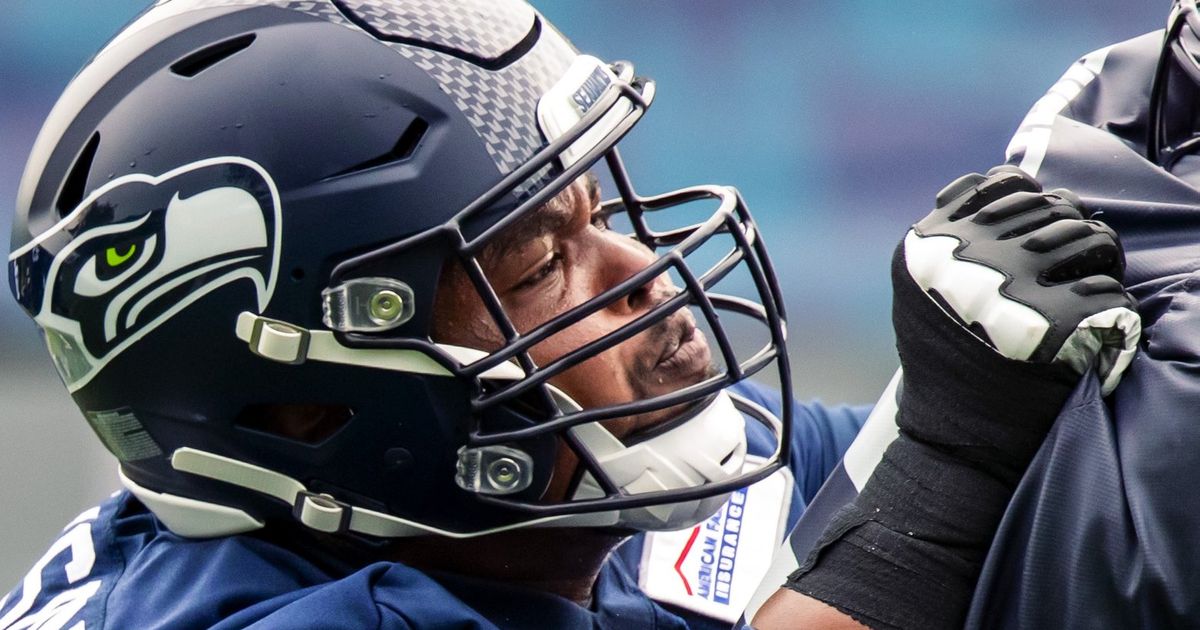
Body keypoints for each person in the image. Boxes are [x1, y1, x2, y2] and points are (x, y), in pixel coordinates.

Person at [0, 1, 1139, 628]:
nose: (637, 270)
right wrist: (945, 464)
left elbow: (943, 471)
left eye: (595, 211)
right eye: (539, 262)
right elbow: (919, 498)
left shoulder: (540, 491)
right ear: (312, 413)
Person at [760, 2, 1200, 628]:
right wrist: (945, 468)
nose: (646, 270)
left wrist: (957, 415)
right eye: (561, 260)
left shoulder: (730, 457)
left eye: (606, 218)